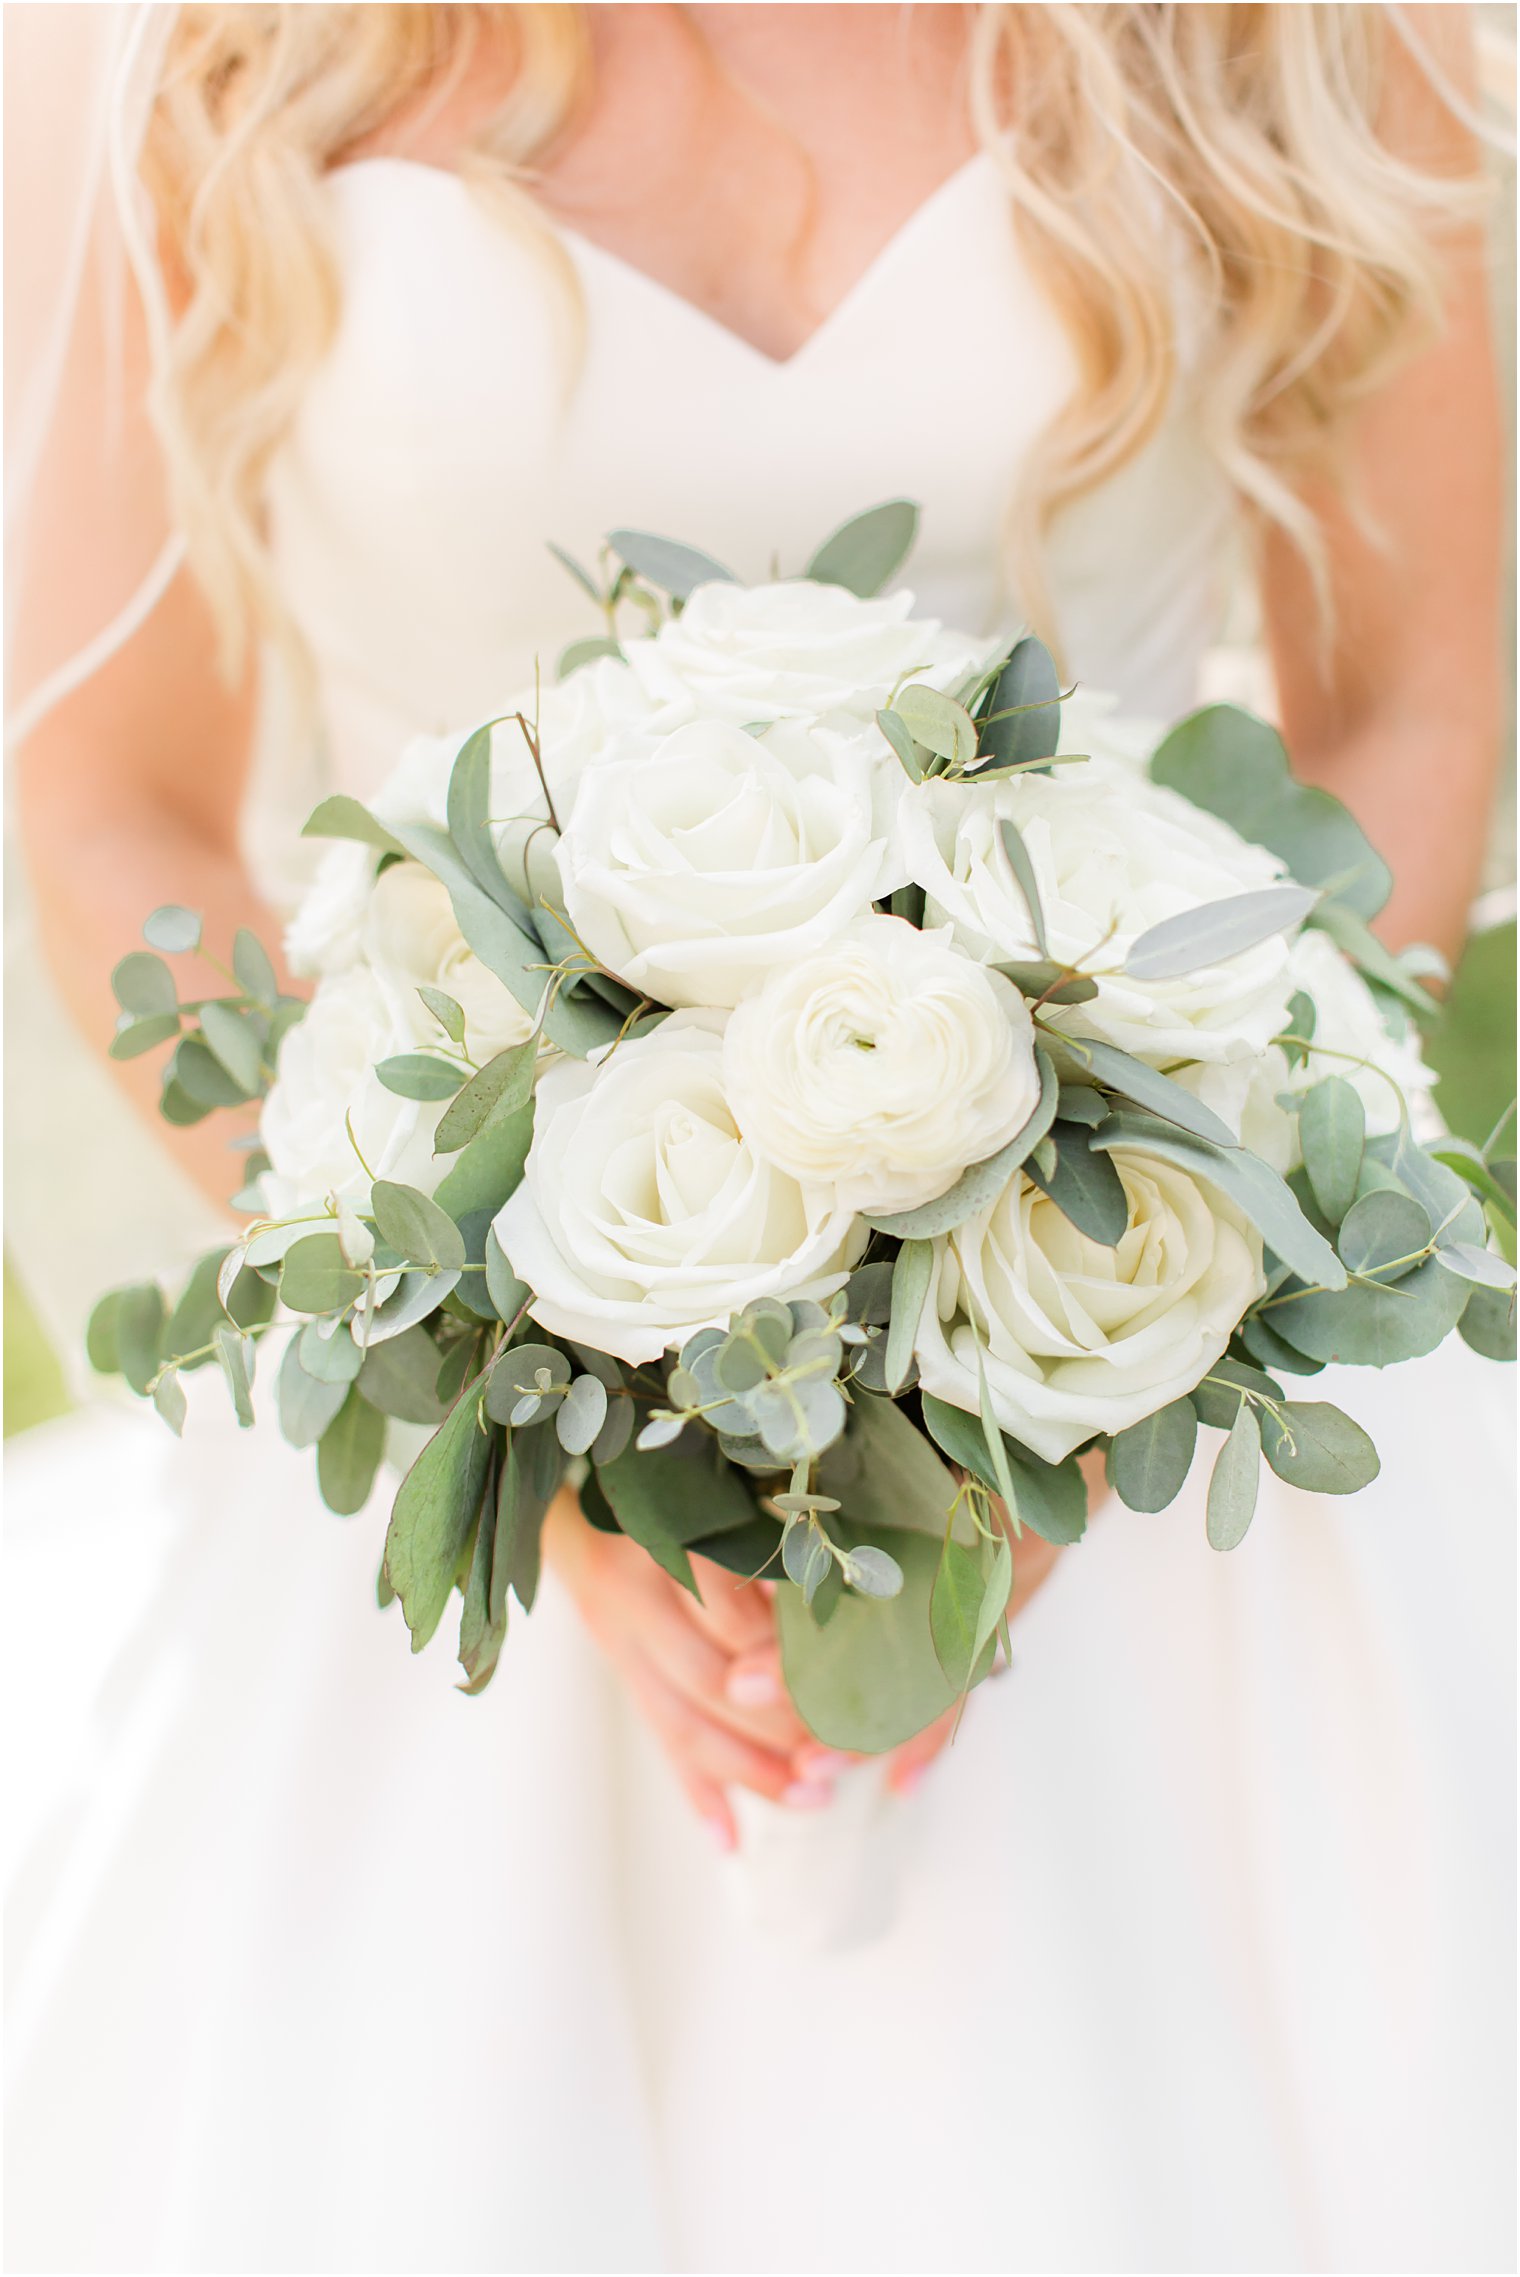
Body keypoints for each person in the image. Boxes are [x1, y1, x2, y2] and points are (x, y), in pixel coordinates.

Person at [6, 6, 1513, 2270]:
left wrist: (1125, 1316)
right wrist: (496, 1392)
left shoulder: (1273, 46)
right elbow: (107, 785)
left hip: (1150, 1430)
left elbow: (1403, 697)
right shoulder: (251, 57)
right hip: (486, 1461)